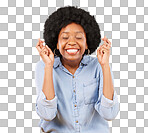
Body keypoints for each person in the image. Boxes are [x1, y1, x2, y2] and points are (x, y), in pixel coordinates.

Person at [35, 6, 119, 133]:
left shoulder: (99, 65)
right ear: (56, 43)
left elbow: (109, 114)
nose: (72, 42)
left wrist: (105, 65)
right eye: (65, 37)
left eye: (79, 38)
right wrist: (48, 66)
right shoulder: (43, 66)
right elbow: (47, 114)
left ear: (87, 44)